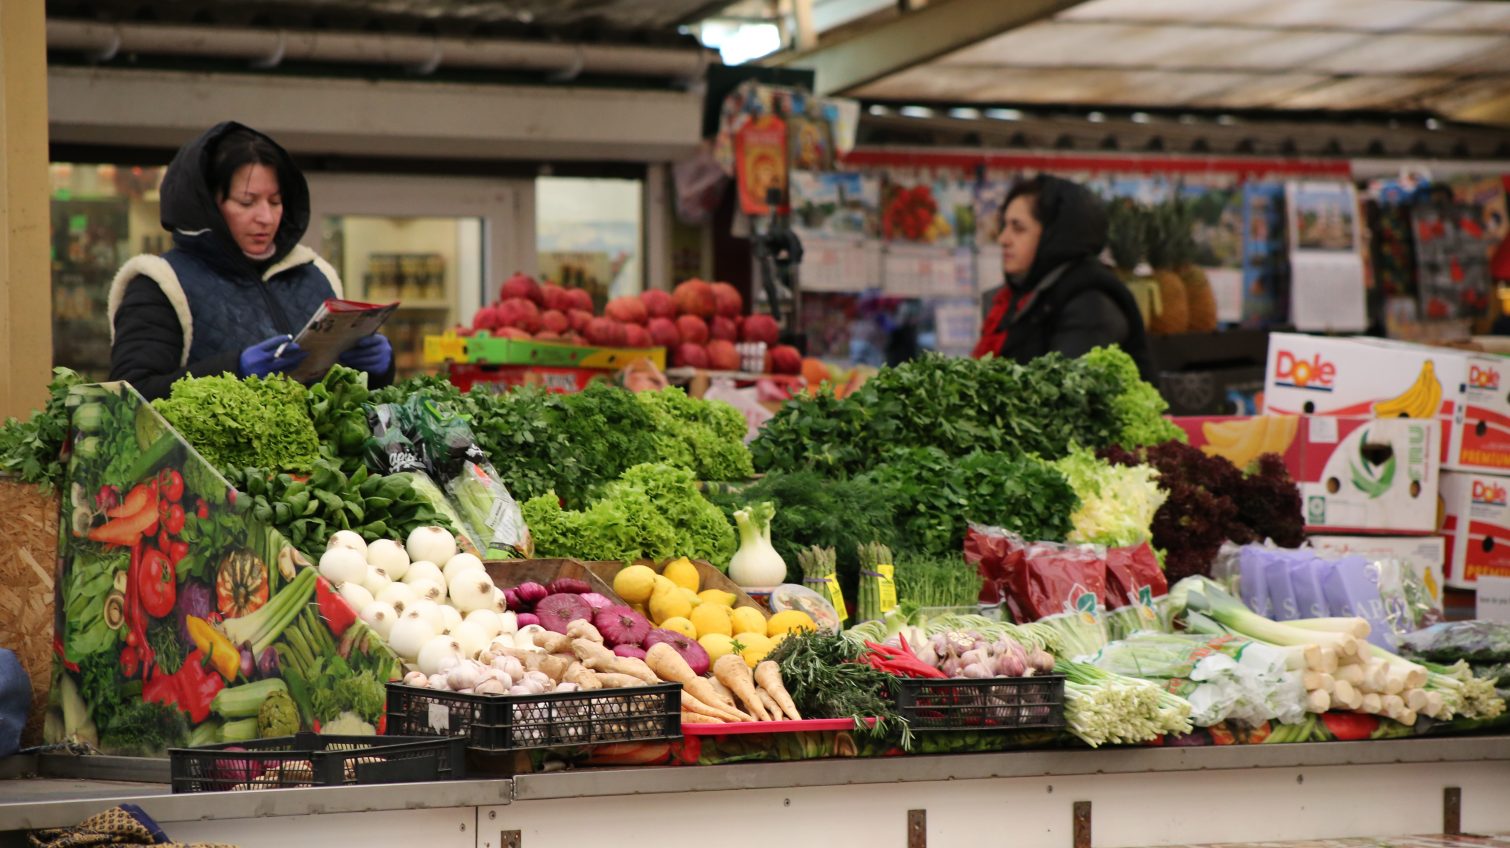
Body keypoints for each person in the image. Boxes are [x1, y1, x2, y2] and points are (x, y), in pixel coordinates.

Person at [109, 121, 393, 400]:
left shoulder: (317, 274)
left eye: (275, 201)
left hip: (316, 448)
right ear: (207, 205)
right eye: (247, 202)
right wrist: (233, 371)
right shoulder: (161, 283)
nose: (266, 218)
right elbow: (131, 395)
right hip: (203, 449)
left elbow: (342, 400)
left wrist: (374, 371)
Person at [972, 175, 1155, 380]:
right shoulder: (1018, 298)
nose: (1003, 239)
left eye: (1018, 228)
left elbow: (1066, 394)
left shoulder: (1090, 303)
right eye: (1004, 226)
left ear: (1054, 235)